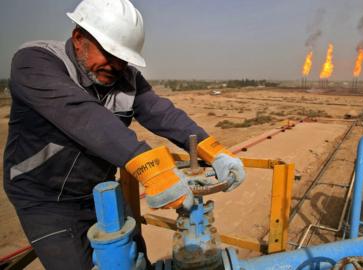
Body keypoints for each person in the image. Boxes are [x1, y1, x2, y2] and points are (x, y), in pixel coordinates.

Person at [3, 0, 245, 269]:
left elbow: (161, 113)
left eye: (123, 58)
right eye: (108, 53)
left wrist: (214, 150)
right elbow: (83, 116)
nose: (115, 65)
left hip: (102, 191)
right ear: (78, 37)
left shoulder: (125, 78)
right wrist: (152, 169)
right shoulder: (35, 62)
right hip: (46, 200)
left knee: (134, 259)